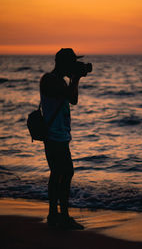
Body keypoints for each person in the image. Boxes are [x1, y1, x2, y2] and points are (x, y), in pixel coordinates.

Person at [40, 48, 84, 230]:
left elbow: (73, 100)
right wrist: (76, 78)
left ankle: (56, 215)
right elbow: (69, 96)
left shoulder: (60, 81)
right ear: (63, 64)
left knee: (60, 173)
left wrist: (75, 79)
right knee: (63, 173)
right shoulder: (50, 80)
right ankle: (59, 216)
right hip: (53, 136)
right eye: (72, 63)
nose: (73, 66)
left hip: (61, 135)